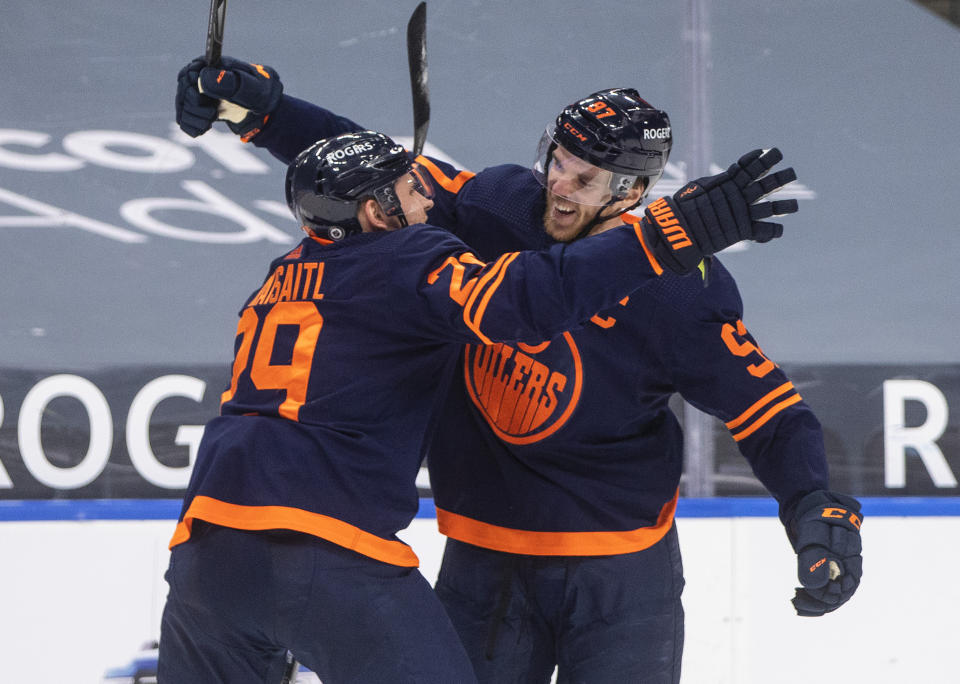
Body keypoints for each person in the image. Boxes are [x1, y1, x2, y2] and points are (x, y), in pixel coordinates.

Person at [174, 57, 863, 683]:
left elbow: (768, 411)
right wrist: (265, 116)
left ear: (633, 189)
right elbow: (381, 179)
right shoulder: (493, 207)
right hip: (485, 562)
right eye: (556, 161)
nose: (559, 186)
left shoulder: (683, 289)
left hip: (622, 576)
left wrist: (813, 505)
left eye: (584, 178)